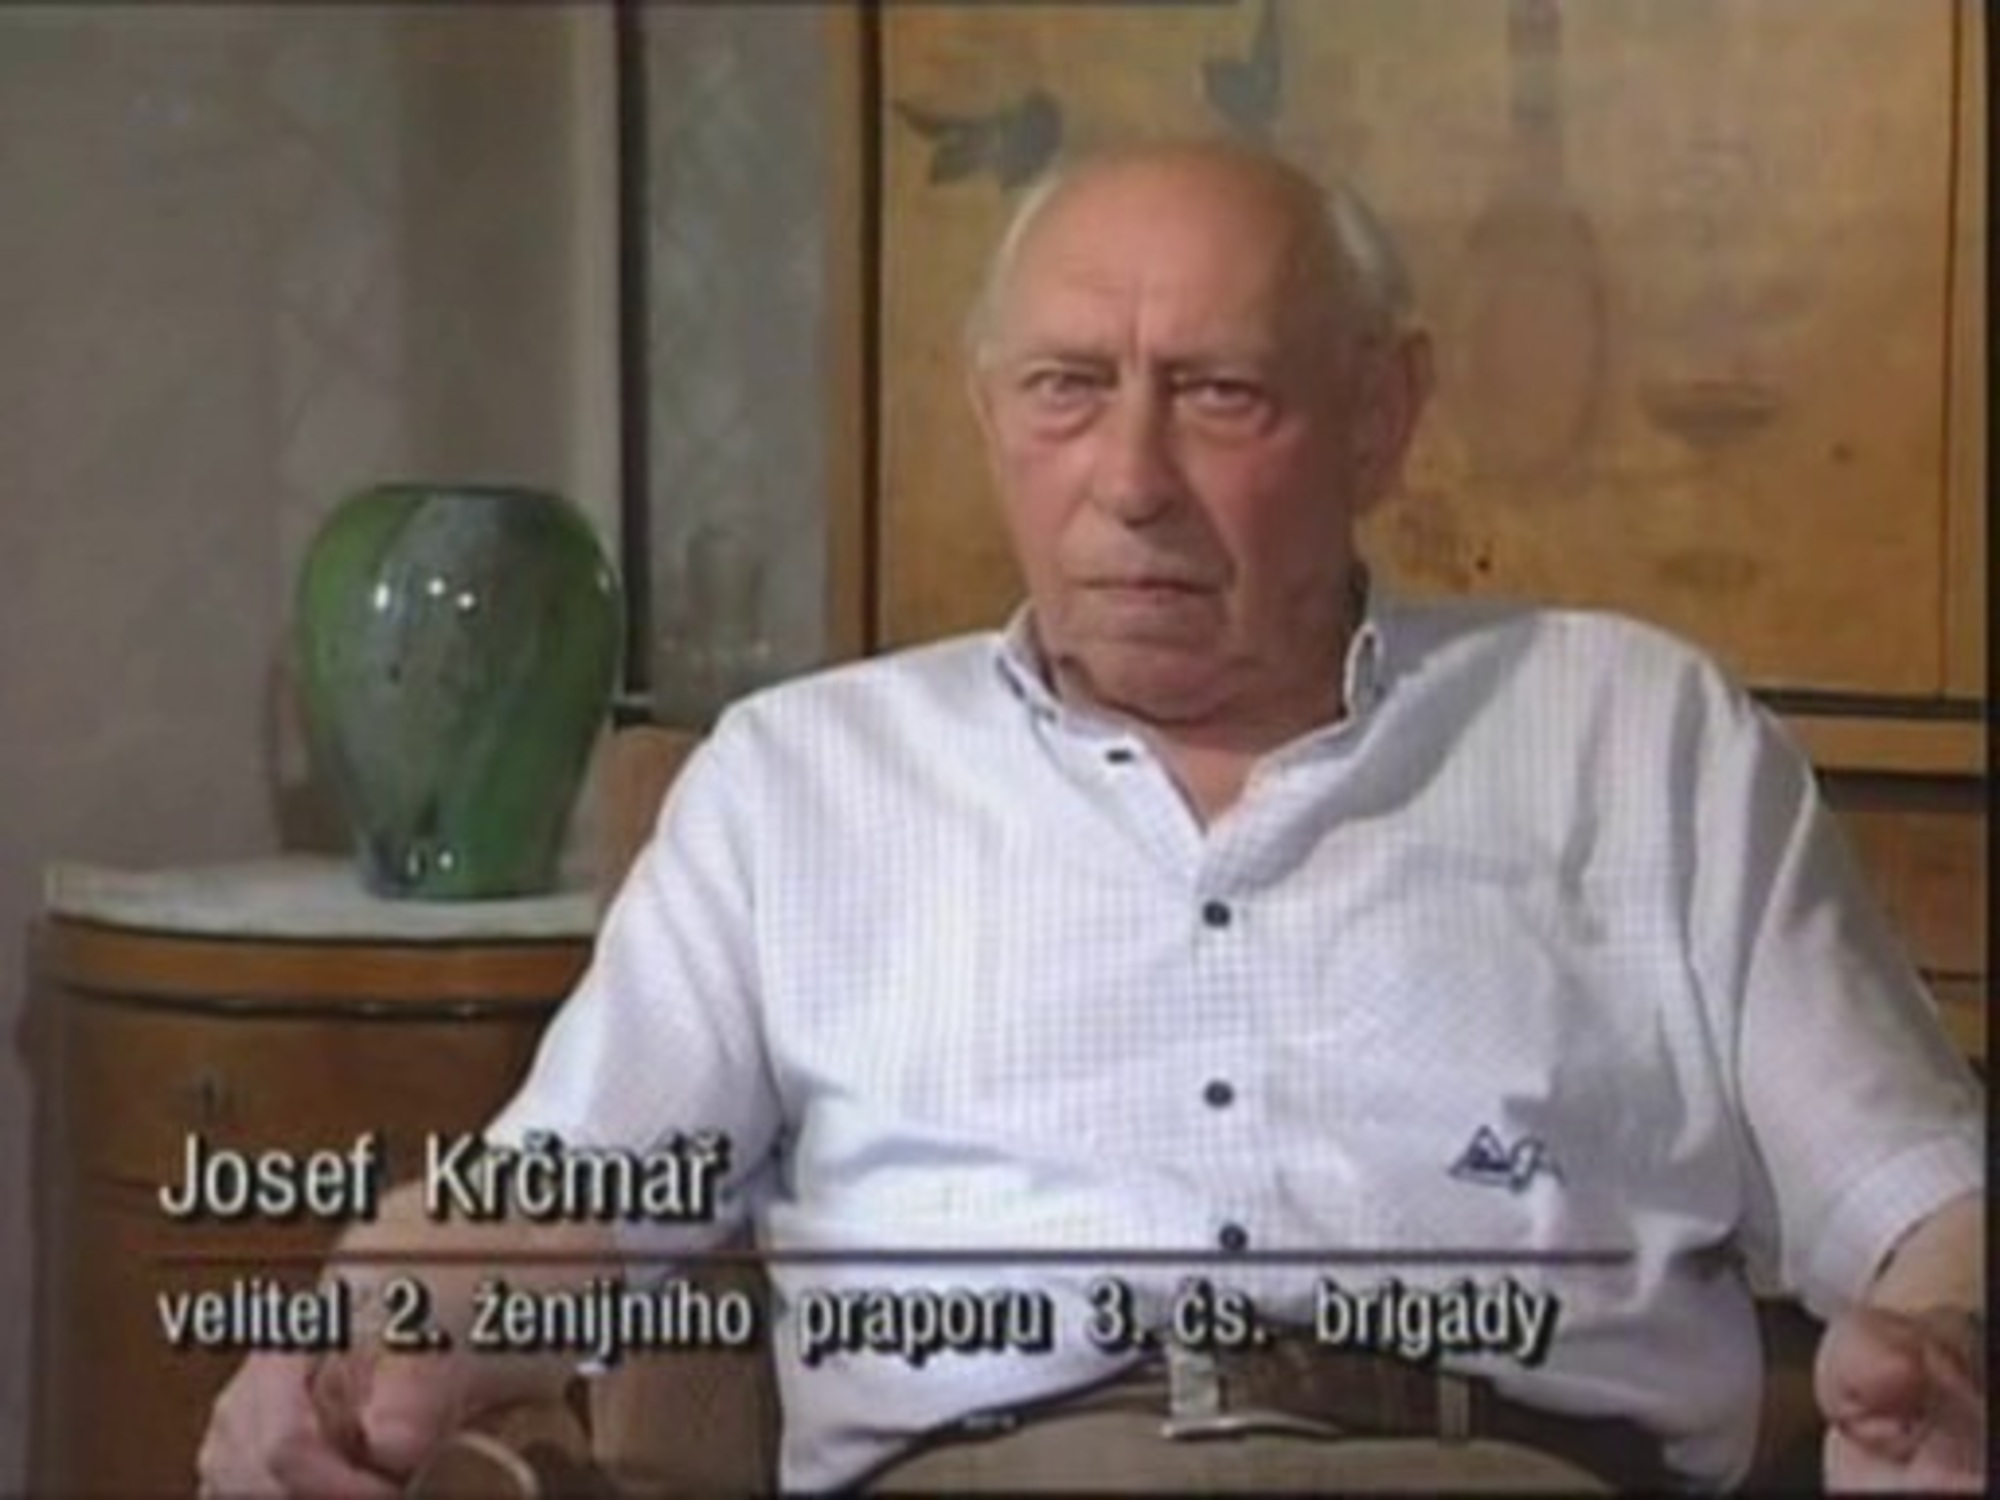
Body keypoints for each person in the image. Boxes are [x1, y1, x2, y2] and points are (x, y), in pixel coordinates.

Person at [199, 139, 1985, 1495]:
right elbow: (560, 1196)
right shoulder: (801, 782)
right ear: (991, 414)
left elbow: (1927, 1202)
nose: (1130, 481)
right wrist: (352, 1341)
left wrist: (1939, 1355)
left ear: (1381, 417)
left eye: (1221, 394)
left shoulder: (1638, 737)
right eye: (1067, 391)